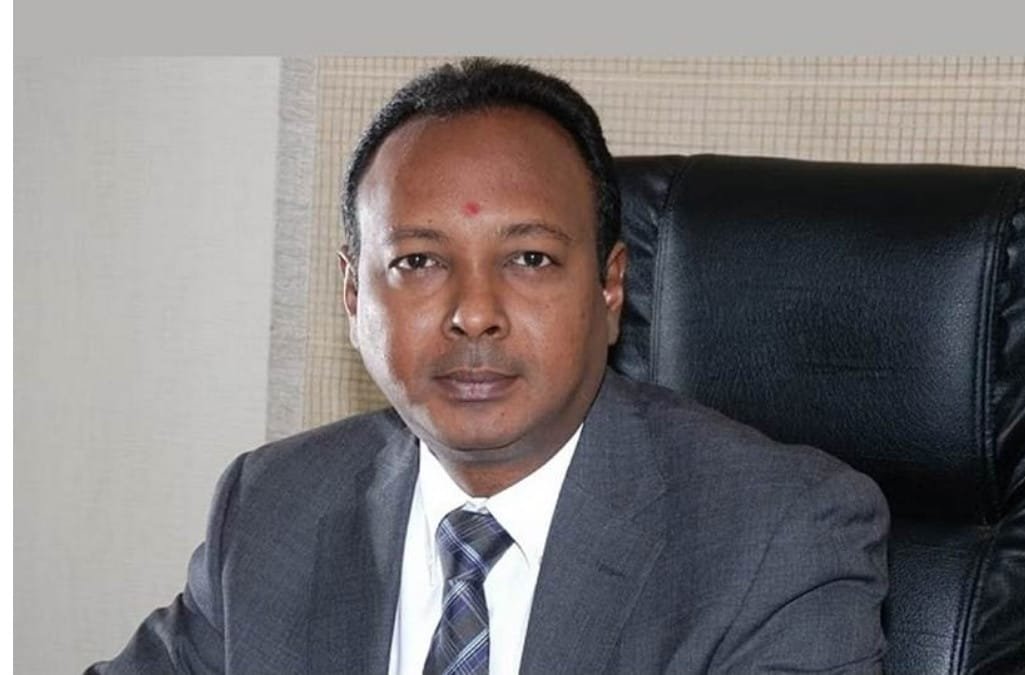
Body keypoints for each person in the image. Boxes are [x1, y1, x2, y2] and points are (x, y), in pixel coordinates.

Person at [89, 58, 889, 674]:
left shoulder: (777, 535)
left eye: (530, 258)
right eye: (418, 262)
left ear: (610, 287)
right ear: (352, 294)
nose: (474, 312)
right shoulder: (273, 507)